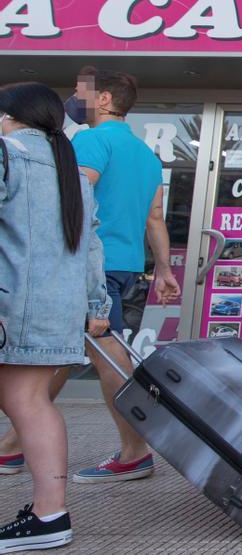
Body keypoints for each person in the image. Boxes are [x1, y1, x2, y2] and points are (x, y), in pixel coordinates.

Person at [0, 68, 181, 484]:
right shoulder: (144, 154)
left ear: (102, 100)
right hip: (127, 264)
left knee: (106, 353)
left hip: (89, 265)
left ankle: (135, 451)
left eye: (81, 92)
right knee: (70, 351)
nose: (74, 99)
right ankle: (12, 446)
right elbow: (155, 216)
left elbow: (71, 198)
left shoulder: (89, 141)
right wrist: (165, 269)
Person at [0, 83, 109, 552]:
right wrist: (96, 308)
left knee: (26, 402)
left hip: (12, 303)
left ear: (9, 115)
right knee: (30, 400)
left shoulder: (8, 152)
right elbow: (90, 247)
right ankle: (50, 512)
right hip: (55, 306)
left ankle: (49, 514)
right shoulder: (71, 171)